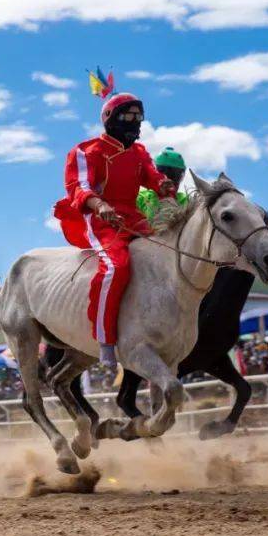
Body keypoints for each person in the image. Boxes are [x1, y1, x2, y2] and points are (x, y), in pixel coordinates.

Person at [53, 92, 175, 369]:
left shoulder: (139, 152)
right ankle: (105, 340)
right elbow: (79, 187)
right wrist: (99, 205)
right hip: (101, 220)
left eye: (138, 118)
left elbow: (152, 176)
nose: (135, 123)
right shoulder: (86, 151)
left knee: (169, 255)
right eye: (129, 117)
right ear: (111, 119)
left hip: (134, 217)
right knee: (115, 267)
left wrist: (163, 185)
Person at [137, 147, 189, 223]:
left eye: (174, 175)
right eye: (164, 173)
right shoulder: (141, 198)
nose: (169, 180)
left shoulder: (186, 201)